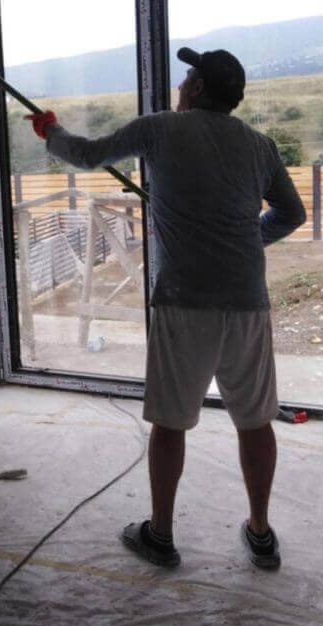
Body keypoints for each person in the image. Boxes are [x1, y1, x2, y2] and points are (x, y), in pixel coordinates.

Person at [25, 47, 306, 570]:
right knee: (255, 421)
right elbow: (292, 213)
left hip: (184, 302)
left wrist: (51, 131)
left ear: (196, 88)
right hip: (247, 302)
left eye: (187, 77)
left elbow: (86, 156)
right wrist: (248, 240)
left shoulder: (160, 129)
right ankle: (261, 533)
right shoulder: (259, 145)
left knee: (171, 423)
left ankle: (160, 535)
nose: (180, 85)